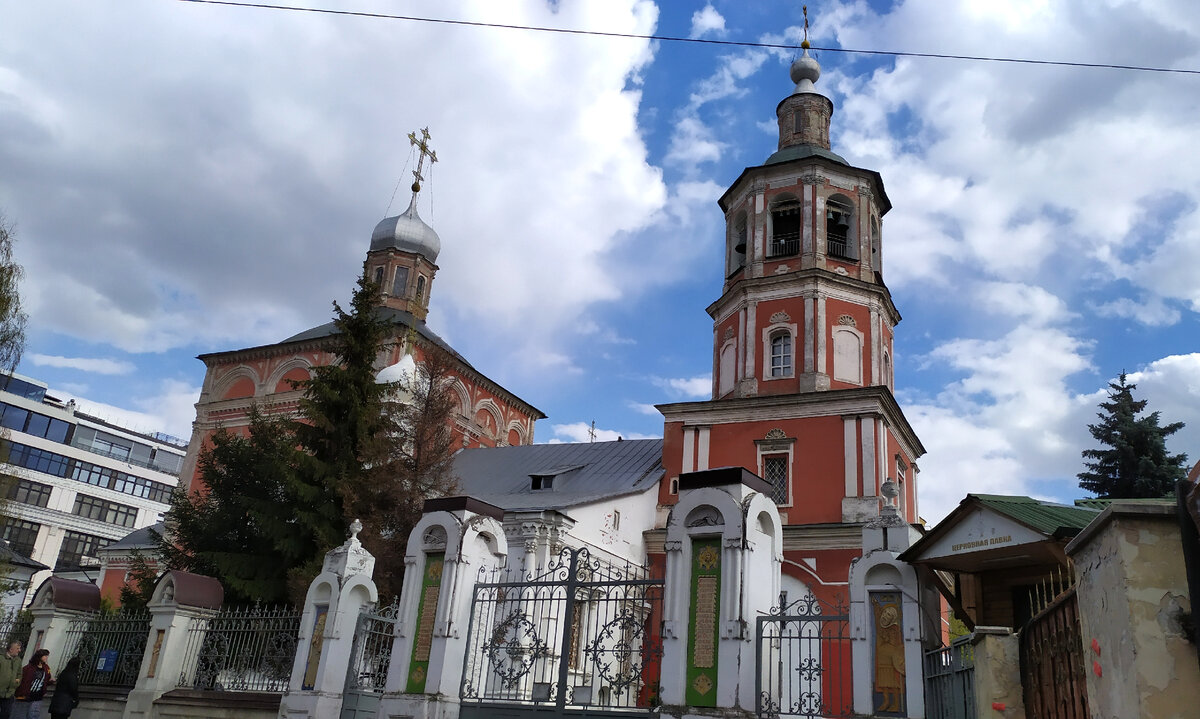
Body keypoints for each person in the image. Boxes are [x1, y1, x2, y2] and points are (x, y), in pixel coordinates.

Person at [12, 650, 50, 719]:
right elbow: (23, 680)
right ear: (39, 656)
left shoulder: (46, 668)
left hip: (38, 696)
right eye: (45, 656)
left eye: (47, 656)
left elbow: (47, 678)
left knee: (33, 716)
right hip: (26, 696)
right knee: (20, 715)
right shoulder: (29, 668)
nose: (46, 657)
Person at [0, 641, 21, 719]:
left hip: (10, 693)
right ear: (11, 649)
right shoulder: (1, 658)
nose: (19, 650)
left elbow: (19, 673)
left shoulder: (18, 660)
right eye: (17, 648)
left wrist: (16, 682)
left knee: (6, 714)